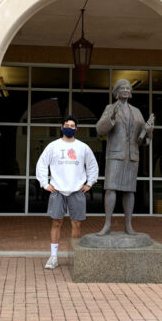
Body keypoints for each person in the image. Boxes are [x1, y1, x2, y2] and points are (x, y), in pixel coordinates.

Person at [36, 115, 98, 269]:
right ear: (61, 127)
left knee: (76, 224)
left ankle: (75, 256)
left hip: (77, 191)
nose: (69, 128)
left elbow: (92, 166)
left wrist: (90, 183)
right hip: (57, 190)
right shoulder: (53, 146)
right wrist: (45, 183)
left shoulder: (83, 147)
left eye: (72, 125)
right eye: (66, 125)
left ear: (76, 129)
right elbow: (42, 164)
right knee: (56, 222)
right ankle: (54, 256)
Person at [96, 79, 154, 235]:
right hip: (115, 155)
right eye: (122, 88)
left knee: (129, 191)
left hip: (132, 155)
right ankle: (107, 224)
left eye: (128, 88)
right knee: (111, 188)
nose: (126, 90)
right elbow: (100, 130)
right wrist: (112, 118)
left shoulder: (136, 112)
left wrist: (148, 131)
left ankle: (128, 225)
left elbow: (143, 140)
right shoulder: (110, 108)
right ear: (116, 92)